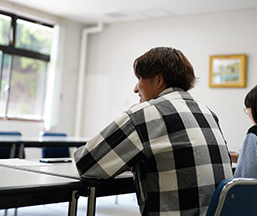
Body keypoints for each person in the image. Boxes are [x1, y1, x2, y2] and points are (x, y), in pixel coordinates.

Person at [74, 47, 233, 216]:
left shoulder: (146, 113)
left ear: (158, 80)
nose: (135, 89)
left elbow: (87, 163)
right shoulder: (207, 112)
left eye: (140, 78)